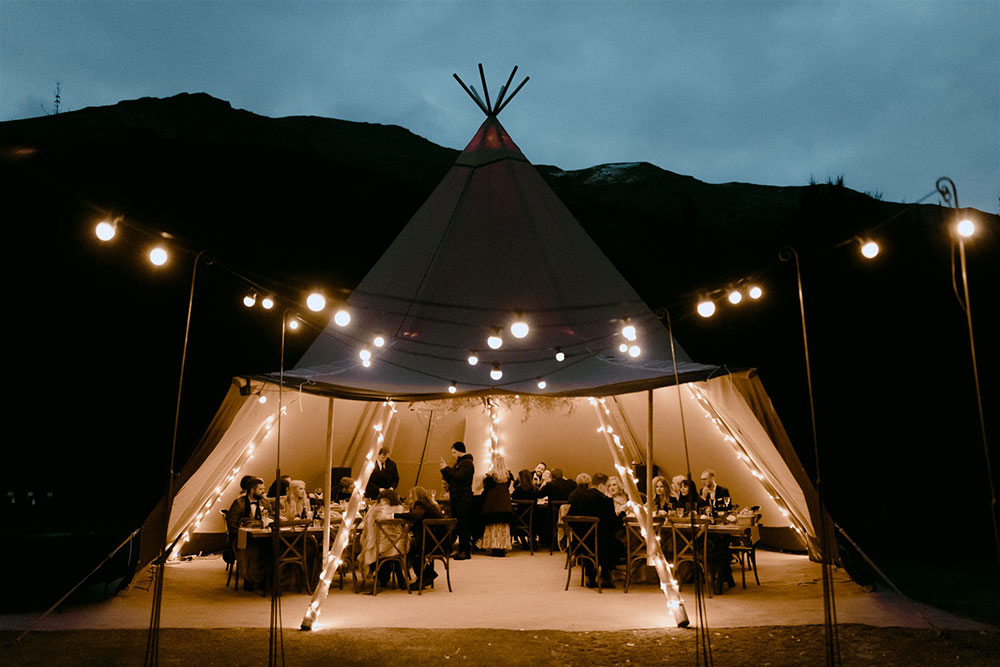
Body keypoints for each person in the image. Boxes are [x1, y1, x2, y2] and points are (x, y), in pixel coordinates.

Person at [567, 472, 622, 588]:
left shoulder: (578, 498)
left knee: (597, 538)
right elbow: (614, 525)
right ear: (601, 486)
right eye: (607, 486)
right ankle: (605, 576)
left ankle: (589, 574)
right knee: (617, 544)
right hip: (600, 546)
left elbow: (569, 519)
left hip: (578, 544)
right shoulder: (605, 501)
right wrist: (622, 515)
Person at [225, 476, 272, 591]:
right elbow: (232, 526)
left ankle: (268, 581)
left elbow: (271, 517)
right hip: (242, 539)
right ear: (252, 490)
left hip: (262, 537)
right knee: (251, 549)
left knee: (272, 547)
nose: (263, 491)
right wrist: (246, 533)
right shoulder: (239, 503)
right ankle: (250, 580)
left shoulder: (265, 502)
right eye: (260, 489)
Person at [395, 486, 445, 590]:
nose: (410, 498)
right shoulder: (430, 504)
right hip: (442, 541)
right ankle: (425, 576)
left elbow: (416, 516)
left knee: (411, 550)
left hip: (432, 542)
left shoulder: (420, 504)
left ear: (416, 495)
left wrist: (396, 515)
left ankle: (426, 576)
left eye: (411, 496)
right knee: (413, 548)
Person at [361, 489, 407, 589]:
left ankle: (381, 576)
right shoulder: (400, 509)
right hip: (399, 546)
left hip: (379, 547)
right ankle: (397, 577)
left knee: (370, 543)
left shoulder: (373, 511)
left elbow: (368, 530)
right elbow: (406, 528)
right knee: (403, 547)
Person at [439, 441, 474, 560]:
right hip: (457, 498)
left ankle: (465, 551)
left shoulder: (467, 464)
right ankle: (461, 550)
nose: (453, 455)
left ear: (460, 451)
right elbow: (452, 479)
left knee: (464, 525)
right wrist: (443, 470)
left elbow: (459, 477)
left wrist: (447, 468)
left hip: (463, 499)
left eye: (454, 452)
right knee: (459, 525)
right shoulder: (459, 463)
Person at [477, 453, 514, 556]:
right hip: (505, 504)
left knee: (492, 525)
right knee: (503, 526)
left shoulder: (490, 476)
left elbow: (486, 489)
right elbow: (507, 486)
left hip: (492, 504)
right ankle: (502, 547)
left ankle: (494, 546)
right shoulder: (508, 476)